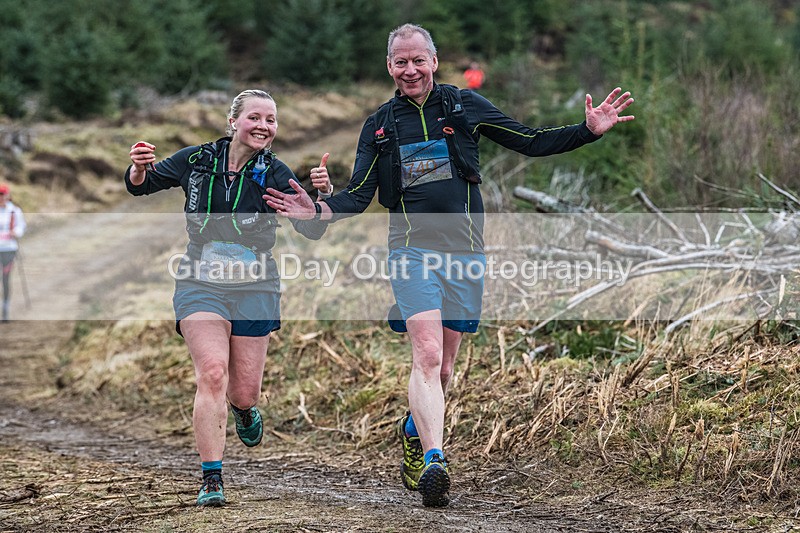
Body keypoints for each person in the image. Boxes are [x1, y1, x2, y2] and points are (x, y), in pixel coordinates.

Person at [264, 23, 634, 508]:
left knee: (443, 372)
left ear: (434, 62)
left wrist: (586, 131)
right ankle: (436, 460)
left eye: (419, 60)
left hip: (465, 255)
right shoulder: (379, 125)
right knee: (428, 355)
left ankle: (414, 433)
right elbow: (358, 195)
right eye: (401, 62)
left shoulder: (462, 107)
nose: (411, 69)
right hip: (411, 254)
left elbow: (530, 141)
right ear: (390, 67)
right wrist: (317, 210)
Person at [125, 89, 330, 507]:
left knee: (243, 392)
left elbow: (310, 228)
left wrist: (318, 205)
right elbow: (141, 187)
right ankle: (212, 478)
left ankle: (243, 411)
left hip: (256, 285)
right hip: (201, 282)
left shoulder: (276, 172)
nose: (263, 126)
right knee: (213, 373)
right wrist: (137, 168)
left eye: (271, 120)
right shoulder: (196, 161)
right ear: (233, 121)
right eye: (255, 117)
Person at [0, 183, 26, 323]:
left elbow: (21, 228)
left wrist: (15, 232)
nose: (1, 198)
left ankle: (5, 309)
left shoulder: (15, 211)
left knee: (5, 279)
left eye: (3, 194)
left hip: (9, 249)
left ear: (8, 195)